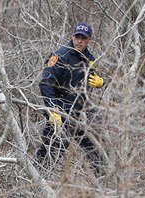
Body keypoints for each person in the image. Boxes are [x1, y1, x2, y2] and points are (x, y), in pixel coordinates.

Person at [37, 22, 104, 172]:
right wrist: (52, 110)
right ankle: (36, 179)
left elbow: (91, 78)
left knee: (95, 149)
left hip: (81, 112)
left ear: (89, 40)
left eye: (83, 38)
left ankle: (102, 183)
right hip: (60, 112)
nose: (79, 41)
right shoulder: (60, 56)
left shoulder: (90, 58)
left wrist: (101, 82)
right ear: (72, 36)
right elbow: (45, 84)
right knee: (51, 151)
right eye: (77, 37)